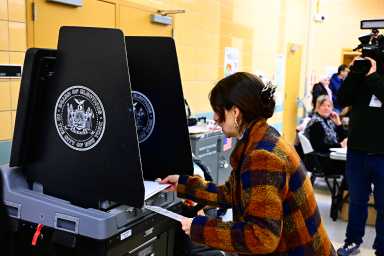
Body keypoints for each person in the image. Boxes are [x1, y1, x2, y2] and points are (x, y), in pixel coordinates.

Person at [159, 72, 336, 255]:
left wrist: (200, 228)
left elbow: (261, 237)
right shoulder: (263, 137)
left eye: (218, 111)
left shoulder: (262, 157)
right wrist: (183, 184)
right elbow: (232, 193)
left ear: (235, 112)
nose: (214, 118)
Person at [336, 56, 384, 256]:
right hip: (357, 152)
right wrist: (354, 74)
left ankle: (381, 248)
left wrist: (373, 76)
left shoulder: (374, 78)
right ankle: (352, 241)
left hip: (382, 154)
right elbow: (342, 100)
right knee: (356, 201)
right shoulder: (360, 75)